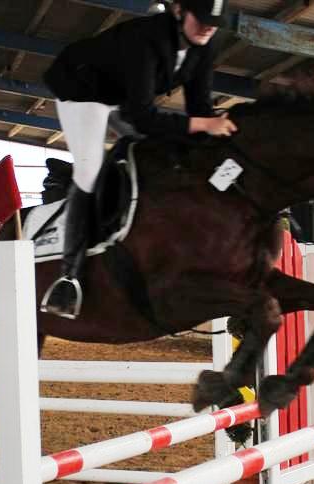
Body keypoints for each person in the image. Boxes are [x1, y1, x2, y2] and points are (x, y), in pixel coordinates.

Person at [39, 0, 239, 319]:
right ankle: (68, 278)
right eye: (201, 19)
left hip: (122, 97)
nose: (208, 27)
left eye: (214, 23)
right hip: (82, 89)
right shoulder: (146, 39)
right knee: (90, 170)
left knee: (164, 152)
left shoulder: (205, 46)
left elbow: (200, 110)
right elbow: (143, 118)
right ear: (179, 11)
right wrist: (204, 125)